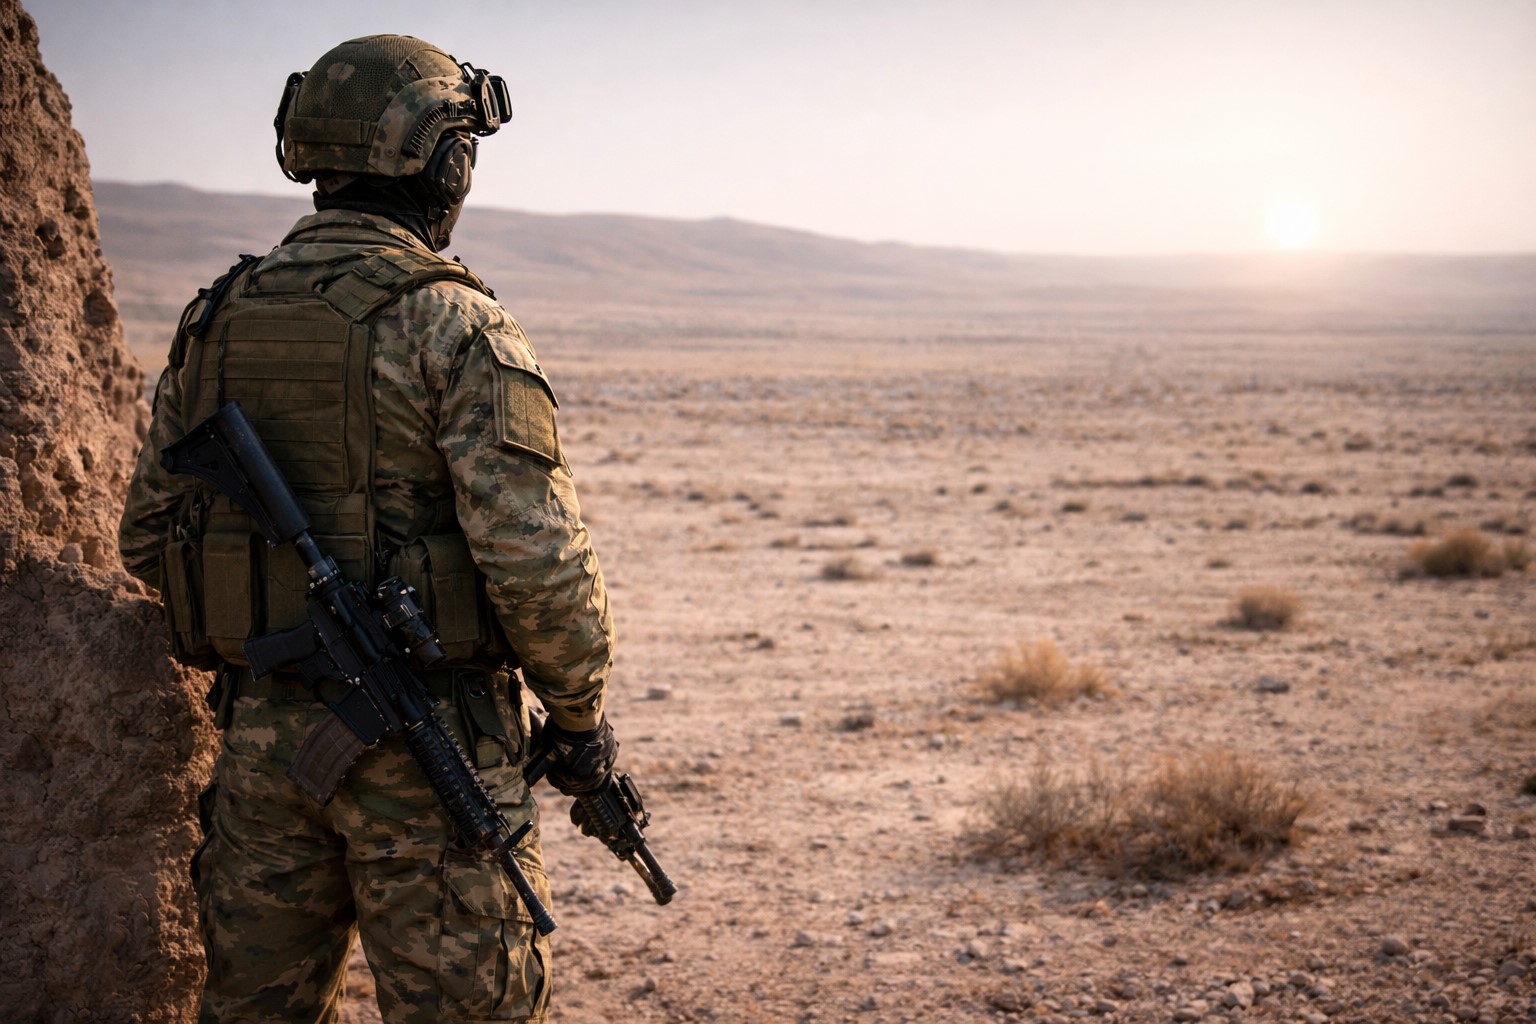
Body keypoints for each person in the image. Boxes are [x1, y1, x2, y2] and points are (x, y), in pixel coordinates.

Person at [119, 35, 617, 1023]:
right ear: (444, 163)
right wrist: (578, 719)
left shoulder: (218, 316)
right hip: (428, 749)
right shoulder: (453, 326)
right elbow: (537, 563)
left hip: (264, 748)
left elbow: (147, 538)